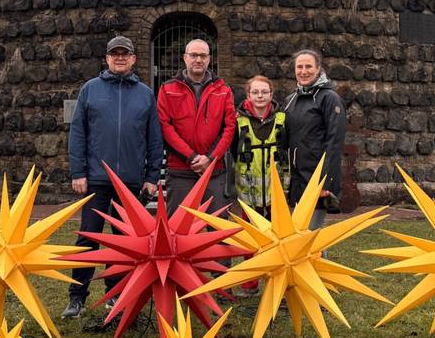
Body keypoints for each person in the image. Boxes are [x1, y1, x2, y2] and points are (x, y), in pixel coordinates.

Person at [63, 36, 163, 318]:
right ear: (107, 59)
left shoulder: (145, 94)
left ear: (133, 59)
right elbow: (78, 133)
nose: (120, 58)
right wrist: (78, 171)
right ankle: (77, 297)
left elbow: (154, 139)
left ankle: (115, 294)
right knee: (88, 239)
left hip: (131, 182)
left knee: (123, 242)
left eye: (125, 54)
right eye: (114, 54)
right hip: (96, 179)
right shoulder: (90, 90)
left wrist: (152, 176)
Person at [156, 38, 236, 214]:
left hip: (214, 171)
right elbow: (165, 127)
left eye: (202, 55)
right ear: (185, 57)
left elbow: (229, 128)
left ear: (209, 59)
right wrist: (191, 157)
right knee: (178, 232)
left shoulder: (223, 90)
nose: (198, 59)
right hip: (180, 170)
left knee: (218, 230)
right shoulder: (167, 89)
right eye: (193, 55)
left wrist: (210, 158)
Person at [283, 48, 346, 230]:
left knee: (309, 235)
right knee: (303, 235)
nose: (304, 71)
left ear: (318, 69)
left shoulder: (329, 98)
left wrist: (326, 182)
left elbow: (334, 143)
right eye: (299, 67)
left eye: (309, 66)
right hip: (297, 180)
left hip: (317, 180)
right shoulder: (290, 99)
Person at [233, 75, 288, 216]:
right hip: (248, 191)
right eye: (255, 92)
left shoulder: (282, 120)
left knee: (277, 231)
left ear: (271, 95)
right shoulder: (238, 122)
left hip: (276, 191)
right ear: (248, 96)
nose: (260, 96)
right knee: (250, 233)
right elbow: (233, 152)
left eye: (264, 92)